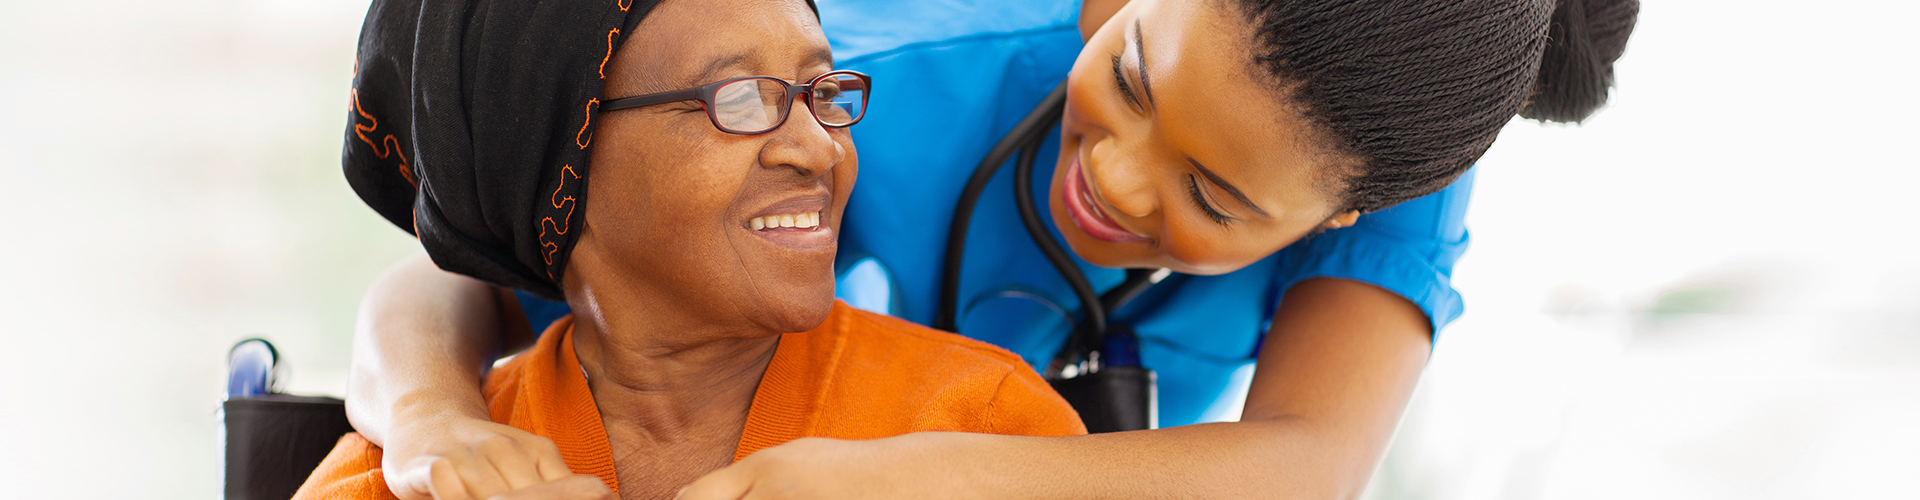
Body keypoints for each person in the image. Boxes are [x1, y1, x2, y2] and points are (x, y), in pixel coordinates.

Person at [349, 0, 1640, 498]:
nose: (1114, 178)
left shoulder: (1389, 165)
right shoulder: (872, 81)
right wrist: (430, 427)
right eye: (1128, 74)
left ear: (1339, 215)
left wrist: (888, 480)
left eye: (1215, 196)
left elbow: (1305, 463)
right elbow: (461, 256)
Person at [298, 0, 1087, 499]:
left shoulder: (986, 429)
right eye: (739, 99)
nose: (819, 149)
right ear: (555, 165)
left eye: (823, 92)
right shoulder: (394, 483)